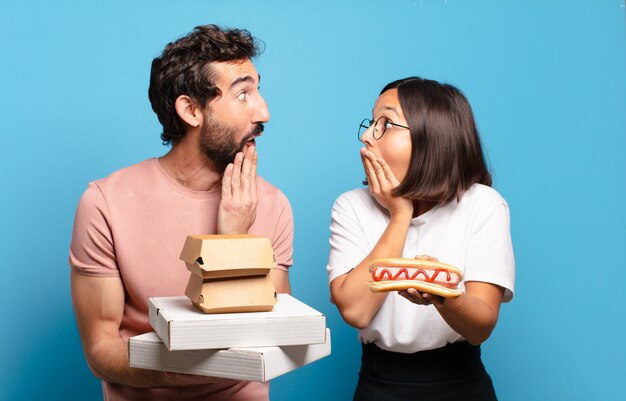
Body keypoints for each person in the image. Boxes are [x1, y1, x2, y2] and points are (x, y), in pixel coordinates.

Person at [69, 25, 293, 401]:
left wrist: (235, 241)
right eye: (243, 94)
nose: (264, 111)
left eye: (258, 90)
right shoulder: (105, 203)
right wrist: (198, 371)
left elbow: (270, 337)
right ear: (191, 110)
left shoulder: (271, 204)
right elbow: (101, 351)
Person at [327, 77, 515, 401]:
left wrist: (444, 295)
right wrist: (400, 215)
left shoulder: (483, 205)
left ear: (432, 138)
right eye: (371, 122)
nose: (366, 135)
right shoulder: (351, 206)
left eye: (385, 124)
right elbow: (356, 311)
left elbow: (480, 326)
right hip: (379, 385)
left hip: (461, 384)